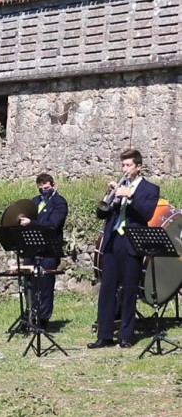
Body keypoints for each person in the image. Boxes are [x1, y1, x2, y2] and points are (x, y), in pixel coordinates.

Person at [89, 149, 159, 349]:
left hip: (132, 242)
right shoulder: (119, 186)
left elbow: (146, 214)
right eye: (123, 165)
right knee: (107, 289)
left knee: (129, 291)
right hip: (113, 241)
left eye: (128, 165)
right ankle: (105, 335)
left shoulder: (150, 189)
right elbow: (101, 214)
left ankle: (127, 336)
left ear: (138, 166)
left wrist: (130, 195)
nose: (125, 169)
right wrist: (110, 195)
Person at [18, 173, 69, 329]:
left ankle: (43, 319)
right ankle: (30, 316)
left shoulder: (60, 203)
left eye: (46, 188)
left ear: (53, 185)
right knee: (29, 284)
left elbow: (53, 224)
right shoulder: (34, 202)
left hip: (49, 250)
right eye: (41, 189)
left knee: (46, 285)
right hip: (32, 249)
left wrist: (31, 223)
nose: (44, 191)